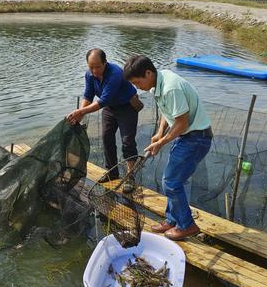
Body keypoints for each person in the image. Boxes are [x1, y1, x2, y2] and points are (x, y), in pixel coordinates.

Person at [123, 55, 212, 241]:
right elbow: (167, 111)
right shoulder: (159, 82)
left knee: (171, 182)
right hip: (187, 136)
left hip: (196, 138)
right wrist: (159, 132)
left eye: (138, 82)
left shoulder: (171, 88)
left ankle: (187, 226)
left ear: (148, 73)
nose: (137, 87)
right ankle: (172, 220)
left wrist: (161, 142)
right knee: (172, 180)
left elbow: (182, 123)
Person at [66, 49, 143, 193]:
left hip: (127, 106)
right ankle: (112, 172)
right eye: (91, 67)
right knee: (106, 137)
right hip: (110, 108)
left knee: (128, 141)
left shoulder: (115, 73)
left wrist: (80, 112)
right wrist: (80, 114)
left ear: (105, 63)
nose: (94, 70)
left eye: (97, 67)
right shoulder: (89, 75)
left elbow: (104, 99)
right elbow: (88, 96)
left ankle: (130, 177)